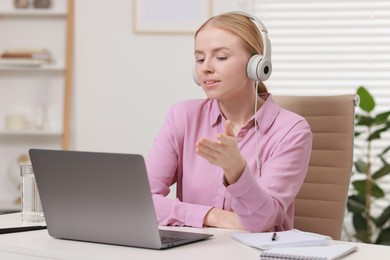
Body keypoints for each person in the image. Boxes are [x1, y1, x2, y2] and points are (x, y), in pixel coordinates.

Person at [146, 12, 312, 233]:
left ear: (256, 64)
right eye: (199, 58)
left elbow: (262, 221)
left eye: (221, 57)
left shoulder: (291, 131)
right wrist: (211, 216)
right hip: (194, 252)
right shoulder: (183, 116)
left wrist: (237, 170)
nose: (206, 67)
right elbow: (140, 201)